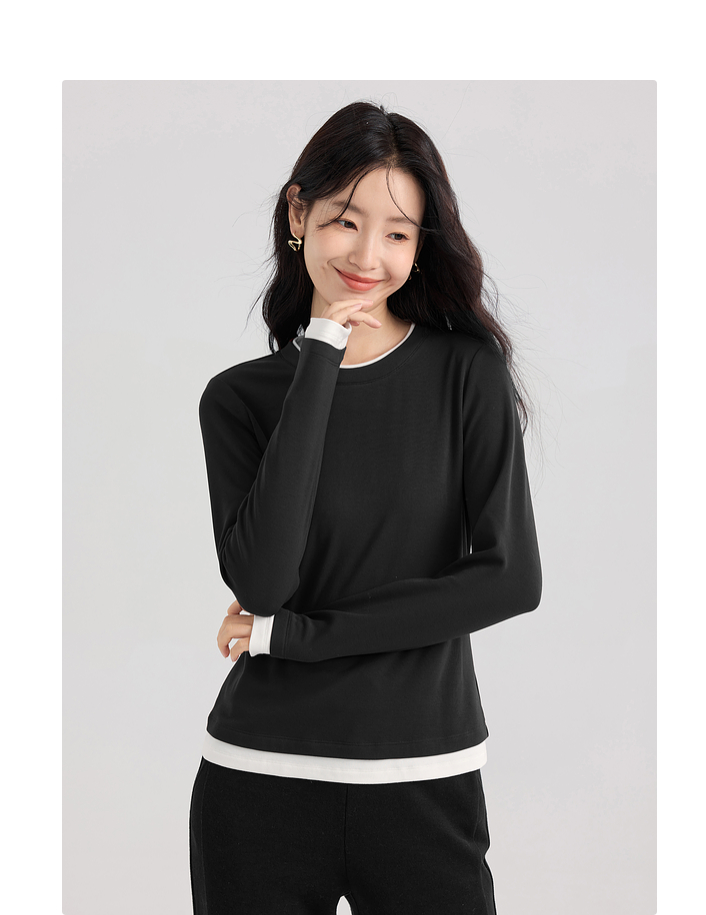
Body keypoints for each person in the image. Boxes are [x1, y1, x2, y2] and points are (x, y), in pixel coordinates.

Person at [189, 100, 542, 915]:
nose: (368, 255)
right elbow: (264, 582)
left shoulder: (466, 374)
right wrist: (320, 350)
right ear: (298, 214)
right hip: (257, 781)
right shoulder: (238, 400)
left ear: (421, 247)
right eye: (347, 221)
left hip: (425, 779)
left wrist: (296, 637)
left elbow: (509, 579)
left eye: (399, 234)